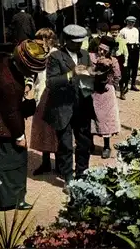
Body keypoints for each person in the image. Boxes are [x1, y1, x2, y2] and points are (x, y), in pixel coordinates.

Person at [0, 40, 48, 211]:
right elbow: (12, 114)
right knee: (16, 160)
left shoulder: (2, 60)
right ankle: (13, 200)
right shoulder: (11, 85)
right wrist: (19, 137)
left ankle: (0, 195)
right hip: (5, 126)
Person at [44, 25, 95, 193]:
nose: (79, 46)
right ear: (66, 40)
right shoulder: (56, 57)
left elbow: (91, 79)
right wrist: (71, 74)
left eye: (81, 42)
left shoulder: (85, 55)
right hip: (63, 107)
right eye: (75, 43)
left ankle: (82, 174)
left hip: (83, 105)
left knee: (84, 143)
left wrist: (98, 74)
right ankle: (68, 178)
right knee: (65, 145)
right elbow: (51, 83)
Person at [30, 28, 61, 176]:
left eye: (40, 40)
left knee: (56, 129)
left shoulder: (56, 54)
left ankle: (61, 163)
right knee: (43, 128)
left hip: (54, 96)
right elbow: (33, 74)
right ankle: (46, 161)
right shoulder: (38, 54)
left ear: (48, 40)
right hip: (40, 93)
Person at [89, 36, 121, 159]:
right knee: (91, 117)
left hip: (107, 93)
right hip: (93, 91)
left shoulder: (113, 61)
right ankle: (90, 144)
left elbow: (118, 76)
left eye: (105, 50)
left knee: (106, 119)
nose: (101, 52)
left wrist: (109, 83)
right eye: (100, 49)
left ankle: (106, 146)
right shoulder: (92, 57)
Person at [119, 16, 140, 92]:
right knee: (127, 67)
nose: (131, 24)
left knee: (135, 67)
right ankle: (126, 85)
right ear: (126, 22)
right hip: (127, 48)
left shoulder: (136, 30)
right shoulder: (123, 31)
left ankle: (133, 84)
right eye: (129, 22)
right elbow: (120, 41)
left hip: (135, 48)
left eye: (132, 22)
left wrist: (137, 48)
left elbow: (137, 40)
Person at [111, 25, 129, 100]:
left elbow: (126, 52)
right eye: (113, 33)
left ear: (118, 32)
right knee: (112, 76)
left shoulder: (121, 41)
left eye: (116, 32)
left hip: (120, 59)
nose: (114, 34)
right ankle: (113, 92)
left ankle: (122, 92)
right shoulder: (110, 40)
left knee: (121, 76)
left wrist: (125, 62)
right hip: (111, 59)